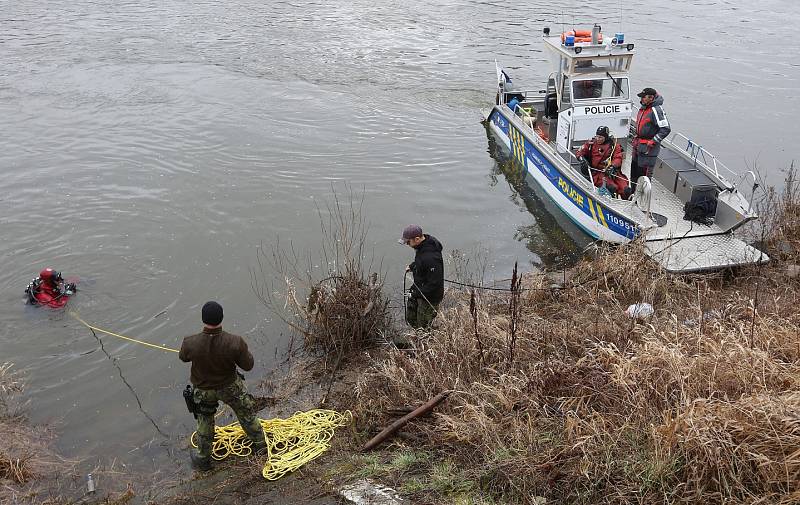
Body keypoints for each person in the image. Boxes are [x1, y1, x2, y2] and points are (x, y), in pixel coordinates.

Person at [179, 301, 266, 471]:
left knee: (205, 420)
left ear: (203, 319)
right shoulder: (235, 342)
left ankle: (203, 458)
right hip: (230, 387)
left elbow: (183, 357)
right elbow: (248, 365)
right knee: (245, 413)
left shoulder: (190, 342)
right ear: (222, 318)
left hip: (203, 391)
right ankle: (260, 445)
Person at [628, 87, 671, 195]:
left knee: (644, 176)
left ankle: (642, 200)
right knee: (634, 172)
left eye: (644, 97)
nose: (641, 99)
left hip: (648, 149)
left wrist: (653, 141)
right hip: (638, 146)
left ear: (651, 98)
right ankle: (633, 193)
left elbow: (665, 129)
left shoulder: (656, 110)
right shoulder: (644, 108)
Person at [400, 225, 444, 329]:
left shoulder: (431, 258)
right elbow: (422, 262)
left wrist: (416, 293)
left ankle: (425, 341)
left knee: (423, 326)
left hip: (429, 297)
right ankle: (418, 336)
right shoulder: (422, 247)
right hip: (420, 289)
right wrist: (413, 266)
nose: (407, 244)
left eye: (408, 242)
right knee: (411, 319)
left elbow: (435, 283)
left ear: (417, 239)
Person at [575, 126, 628, 197]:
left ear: (605, 137)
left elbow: (618, 157)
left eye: (600, 137)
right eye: (597, 136)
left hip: (611, 172)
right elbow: (580, 151)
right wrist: (582, 159)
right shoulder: (591, 144)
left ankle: (628, 203)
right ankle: (611, 202)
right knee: (612, 187)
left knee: (625, 188)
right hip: (597, 173)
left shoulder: (614, 146)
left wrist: (613, 166)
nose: (598, 139)